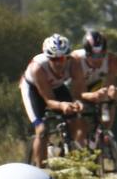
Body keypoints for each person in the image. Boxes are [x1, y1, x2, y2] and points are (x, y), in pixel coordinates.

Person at [20, 33, 110, 167]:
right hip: (33, 89)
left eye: (63, 59)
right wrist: (63, 106)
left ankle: (76, 160)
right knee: (42, 130)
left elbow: (79, 92)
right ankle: (41, 169)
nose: (59, 63)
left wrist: (78, 104)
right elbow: (49, 100)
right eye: (54, 59)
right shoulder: (38, 68)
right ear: (48, 57)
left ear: (68, 57)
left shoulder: (74, 63)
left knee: (77, 121)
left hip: (57, 87)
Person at [70, 29, 117, 136]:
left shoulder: (113, 61)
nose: (98, 60)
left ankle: (104, 134)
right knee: (80, 131)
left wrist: (110, 95)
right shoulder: (76, 60)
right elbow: (77, 93)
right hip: (73, 88)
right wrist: (94, 96)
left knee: (110, 97)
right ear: (86, 53)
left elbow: (108, 85)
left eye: (102, 55)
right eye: (94, 56)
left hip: (92, 86)